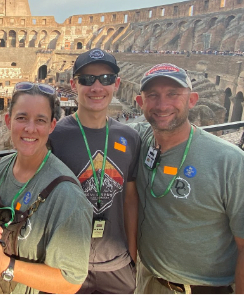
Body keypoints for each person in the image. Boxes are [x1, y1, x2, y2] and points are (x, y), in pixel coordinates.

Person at [0, 82, 93, 294]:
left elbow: (70, 282)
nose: (30, 128)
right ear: (8, 121)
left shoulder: (67, 195)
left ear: (52, 126)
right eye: (22, 118)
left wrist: (3, 266)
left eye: (40, 120)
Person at [131, 63, 244, 294]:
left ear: (192, 100)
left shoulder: (230, 162)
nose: (162, 105)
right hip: (147, 282)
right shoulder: (137, 141)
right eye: (153, 95)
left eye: (173, 94)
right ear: (140, 103)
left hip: (204, 289)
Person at [49, 48, 141, 293]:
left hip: (117, 264)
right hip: (64, 264)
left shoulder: (130, 137)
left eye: (106, 79)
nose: (97, 87)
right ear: (74, 85)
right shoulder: (54, 136)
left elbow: (130, 199)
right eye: (87, 79)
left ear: (117, 84)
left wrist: (132, 255)